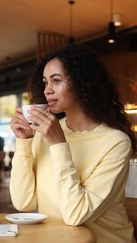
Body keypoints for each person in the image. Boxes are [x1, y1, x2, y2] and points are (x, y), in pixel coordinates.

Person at [10, 44, 137, 243]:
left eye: (56, 81)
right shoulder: (45, 132)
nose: (47, 90)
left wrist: (58, 143)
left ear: (81, 82)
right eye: (45, 83)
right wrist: (24, 141)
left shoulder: (116, 143)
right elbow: (23, 203)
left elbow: (76, 215)